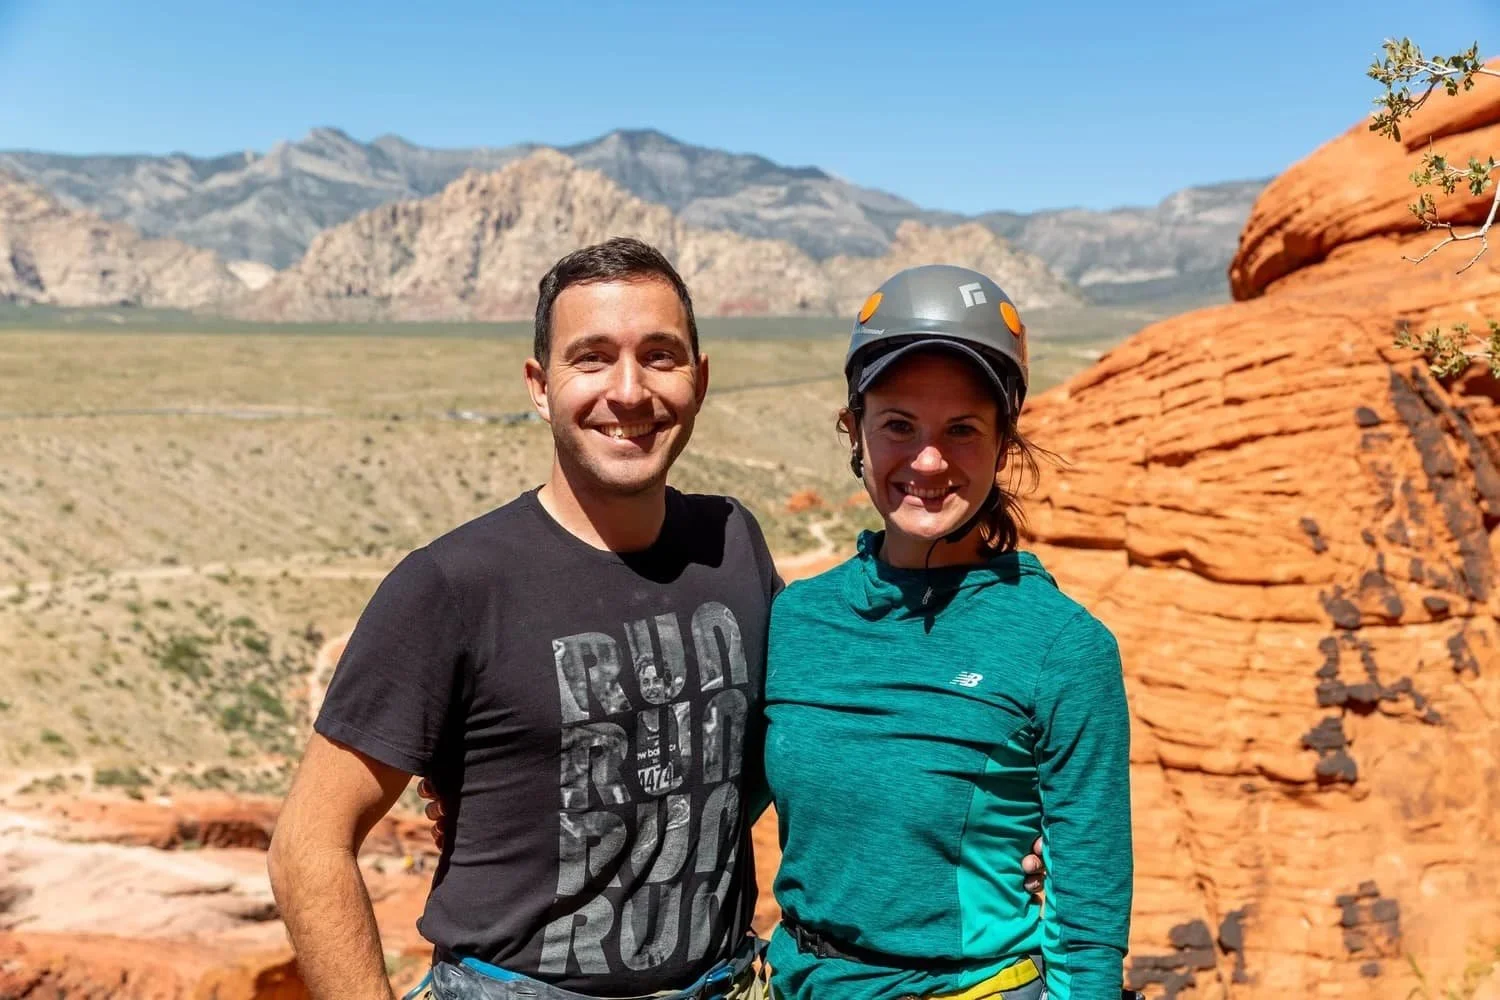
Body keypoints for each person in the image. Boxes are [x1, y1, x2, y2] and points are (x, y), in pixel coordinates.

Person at [271, 236, 1051, 1000]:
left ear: (700, 379)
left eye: (659, 355)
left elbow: (800, 733)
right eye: (592, 357)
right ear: (539, 385)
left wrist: (982, 820)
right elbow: (308, 846)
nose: (629, 391)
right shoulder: (453, 585)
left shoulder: (732, 544)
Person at [761, 265, 1133, 1000]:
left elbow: (1087, 922)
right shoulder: (799, 618)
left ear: (1003, 445)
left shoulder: (1058, 645)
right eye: (899, 424)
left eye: (962, 430)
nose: (928, 461)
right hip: (798, 984)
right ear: (855, 430)